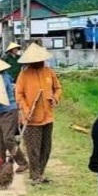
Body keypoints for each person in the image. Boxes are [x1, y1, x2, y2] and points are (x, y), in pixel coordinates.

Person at [15, 43, 62, 185]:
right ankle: (35, 175)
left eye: (40, 60)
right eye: (35, 61)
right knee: (33, 149)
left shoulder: (49, 72)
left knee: (46, 148)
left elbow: (58, 88)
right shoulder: (24, 74)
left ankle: (40, 173)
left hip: (47, 117)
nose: (38, 62)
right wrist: (26, 108)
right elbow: (19, 94)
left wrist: (55, 98)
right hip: (31, 119)